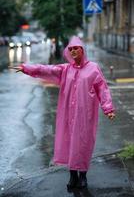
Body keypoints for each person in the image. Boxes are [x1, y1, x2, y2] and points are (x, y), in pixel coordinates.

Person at [9, 36, 115, 190]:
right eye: (70, 49)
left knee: (84, 144)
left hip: (86, 115)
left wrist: (108, 108)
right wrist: (27, 68)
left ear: (82, 50)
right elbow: (46, 69)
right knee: (69, 143)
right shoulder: (65, 69)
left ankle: (83, 176)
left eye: (75, 48)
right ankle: (73, 176)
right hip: (67, 115)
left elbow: (102, 89)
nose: (72, 51)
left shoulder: (93, 68)